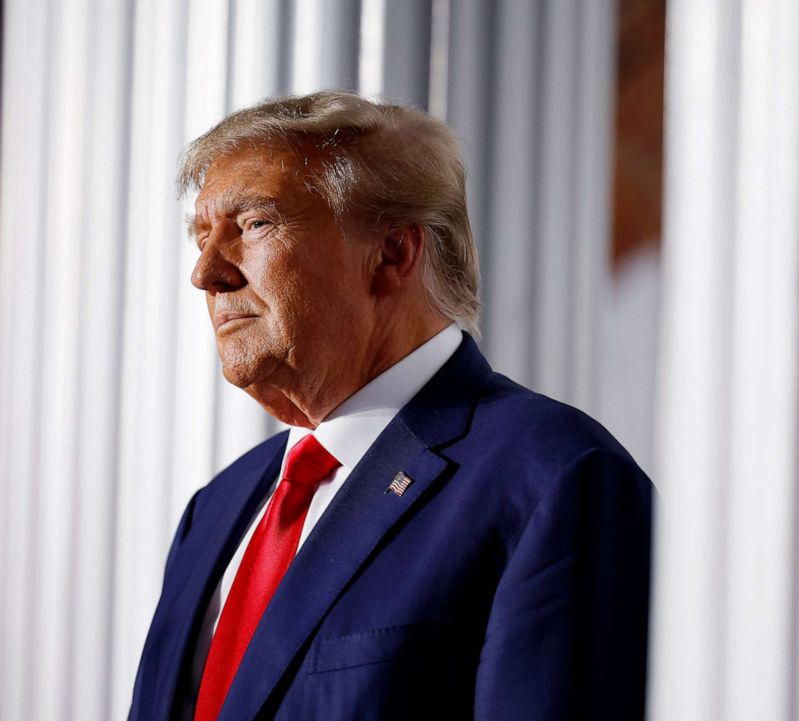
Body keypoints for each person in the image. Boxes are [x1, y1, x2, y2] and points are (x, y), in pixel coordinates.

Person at [129, 90, 652, 721]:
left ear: (392, 253)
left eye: (255, 224)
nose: (207, 272)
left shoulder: (556, 479)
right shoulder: (216, 508)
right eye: (202, 235)